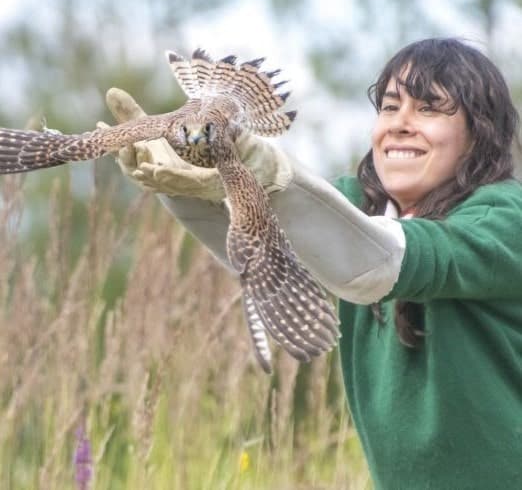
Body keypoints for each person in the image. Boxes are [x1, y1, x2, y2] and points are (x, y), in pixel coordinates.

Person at [108, 38, 522, 489]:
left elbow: (373, 261)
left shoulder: (504, 218)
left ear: (479, 131)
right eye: (389, 107)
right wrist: (193, 187)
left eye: (429, 108)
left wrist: (271, 176)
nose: (400, 125)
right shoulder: (358, 208)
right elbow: (268, 248)